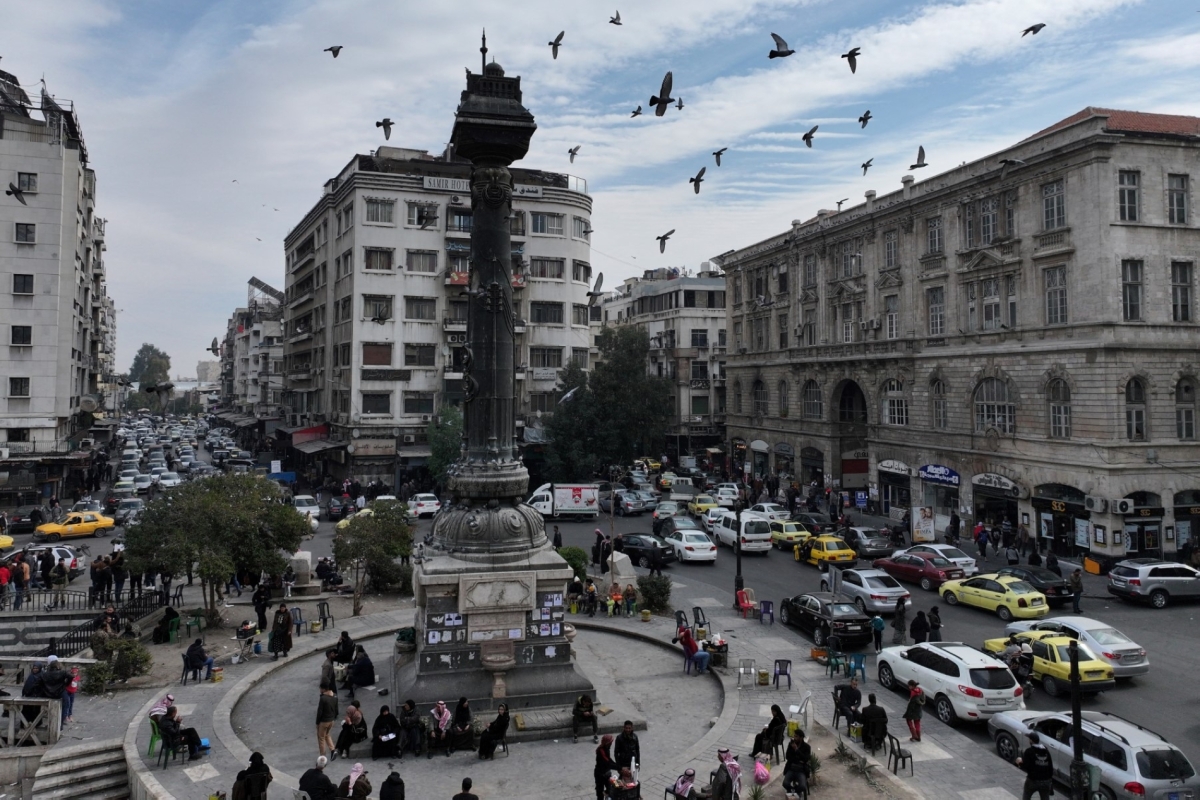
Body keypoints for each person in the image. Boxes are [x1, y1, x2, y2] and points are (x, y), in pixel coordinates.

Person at [1016, 731, 1055, 800]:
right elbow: (1050, 767)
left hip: (1033, 781)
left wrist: (1019, 763)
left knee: (1026, 797)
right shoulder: (1045, 750)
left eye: (1029, 739)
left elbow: (1026, 766)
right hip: (1046, 781)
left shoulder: (1029, 751)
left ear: (1031, 740)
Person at [782, 729, 812, 797]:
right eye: (794, 736)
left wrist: (796, 750)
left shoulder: (807, 747)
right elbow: (787, 757)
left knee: (802, 786)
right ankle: (793, 792)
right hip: (791, 768)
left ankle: (794, 793)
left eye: (796, 736)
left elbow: (806, 759)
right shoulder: (791, 745)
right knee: (785, 784)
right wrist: (799, 760)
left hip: (801, 770)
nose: (794, 738)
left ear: (801, 738)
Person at [315, 684, 338, 760]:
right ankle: (332, 750)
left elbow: (320, 711)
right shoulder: (334, 696)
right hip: (331, 720)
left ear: (323, 689)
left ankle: (322, 756)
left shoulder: (323, 698)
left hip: (324, 721)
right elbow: (336, 709)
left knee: (321, 738)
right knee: (327, 735)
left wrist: (317, 722)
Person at [593, 735, 617, 800]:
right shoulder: (601, 751)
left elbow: (609, 759)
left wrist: (617, 765)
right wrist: (619, 768)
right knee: (600, 792)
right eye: (610, 742)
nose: (611, 744)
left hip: (606, 772)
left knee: (610, 789)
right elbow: (607, 762)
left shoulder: (606, 749)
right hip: (600, 774)